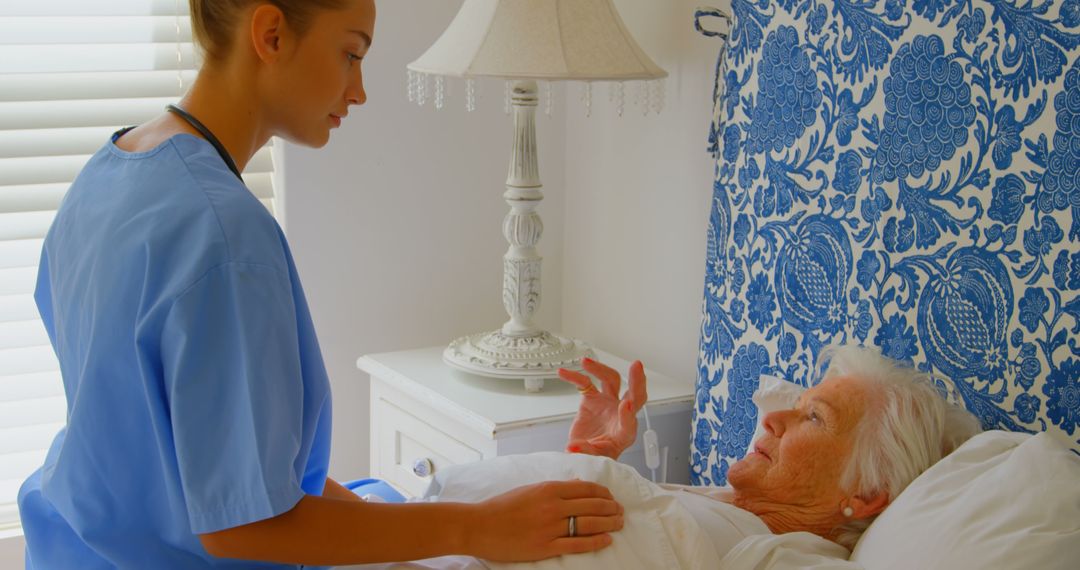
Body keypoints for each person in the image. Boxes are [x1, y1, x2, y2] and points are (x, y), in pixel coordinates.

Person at [15, 1, 623, 568]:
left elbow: (187, 446)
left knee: (387, 499)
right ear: (271, 35)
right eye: (351, 54)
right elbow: (241, 526)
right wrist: (473, 529)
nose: (358, 91)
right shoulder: (225, 237)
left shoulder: (114, 166)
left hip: (72, 539)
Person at [558, 344, 982, 549]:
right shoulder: (730, 512)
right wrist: (591, 462)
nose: (771, 419)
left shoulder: (783, 559)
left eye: (815, 417)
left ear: (867, 493)